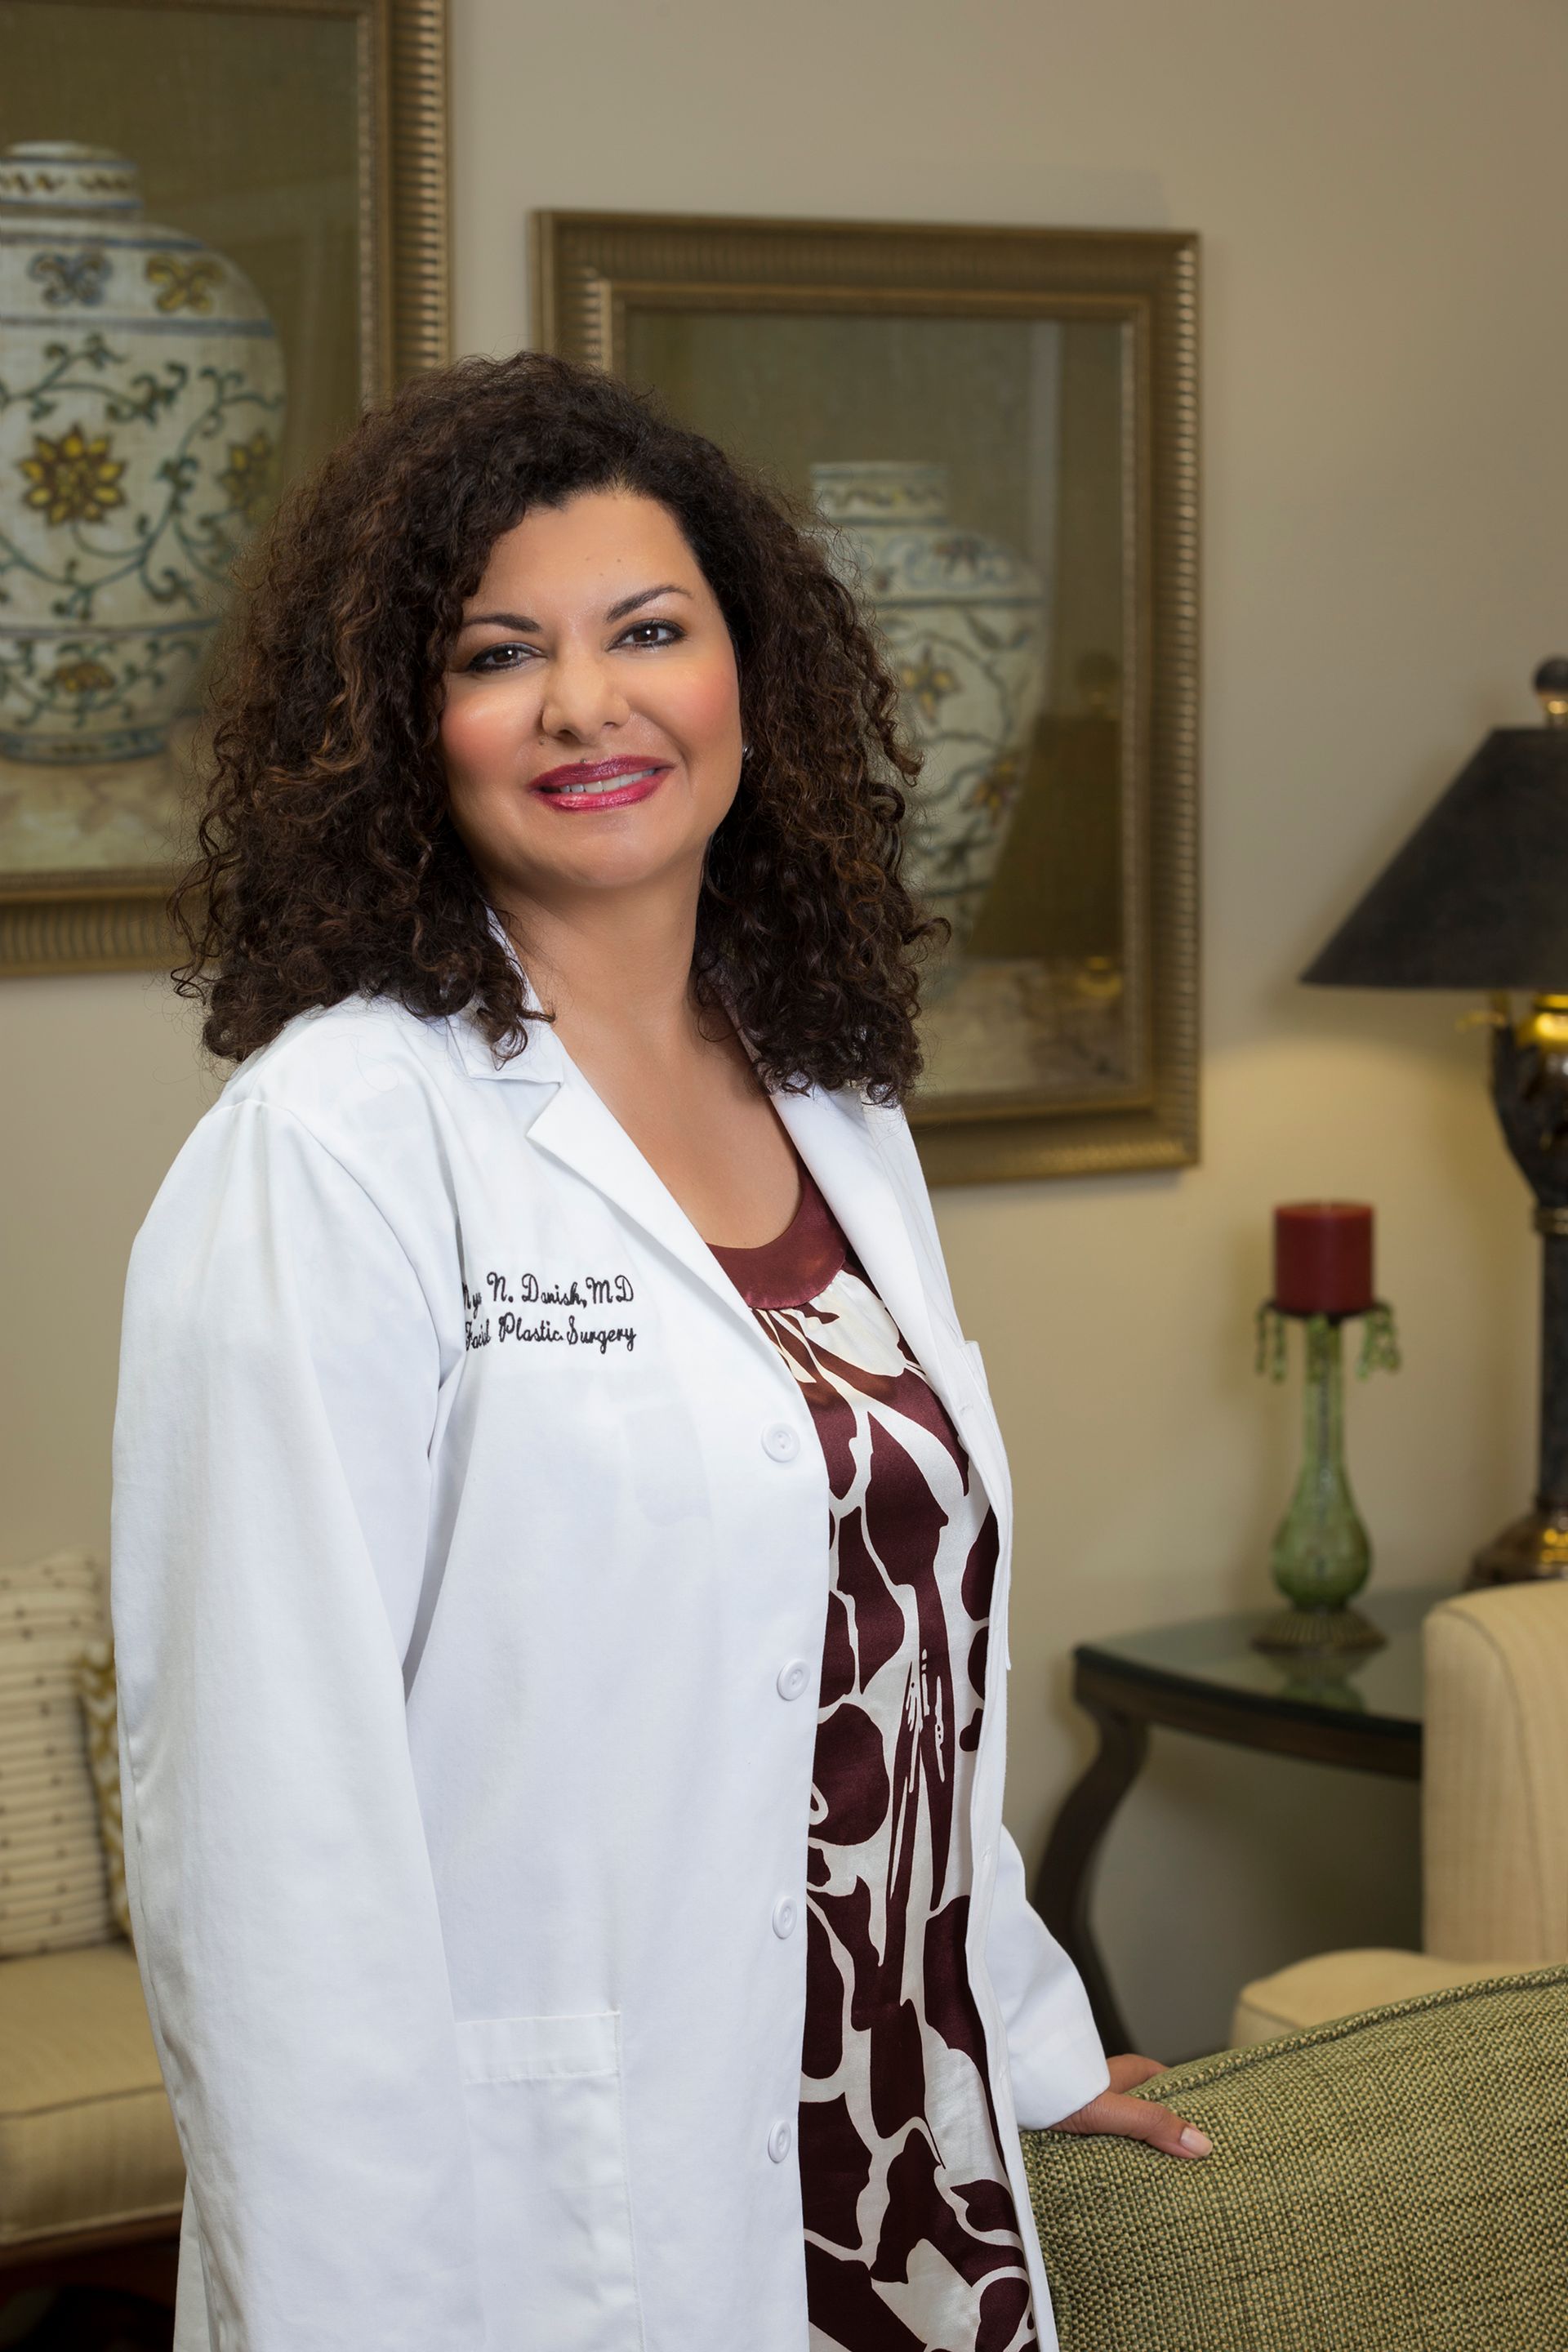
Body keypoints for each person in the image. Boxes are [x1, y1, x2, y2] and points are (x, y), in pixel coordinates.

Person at [109, 351, 1209, 2352]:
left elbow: (898, 1661)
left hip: (899, 2184)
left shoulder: (833, 1106)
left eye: (647, 632)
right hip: (555, 2240)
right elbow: (265, 1838)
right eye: (499, 652)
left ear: (745, 679)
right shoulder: (332, 1146)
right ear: (397, 725)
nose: (587, 704)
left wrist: (1036, 2048)